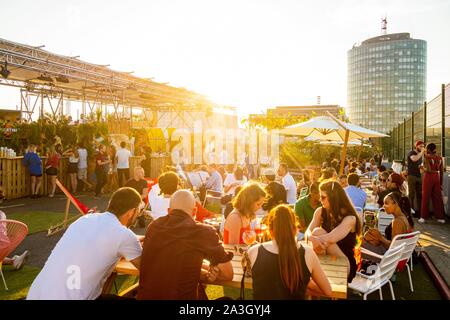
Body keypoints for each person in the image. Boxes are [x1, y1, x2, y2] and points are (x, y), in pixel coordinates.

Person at [27, 188, 144, 300]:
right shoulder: (124, 235)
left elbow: (97, 241)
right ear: (131, 212)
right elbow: (147, 268)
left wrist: (133, 241)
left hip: (36, 294)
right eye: (138, 212)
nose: (138, 216)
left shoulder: (85, 220)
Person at [137, 189, 233, 300]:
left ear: (169, 211)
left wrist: (203, 272)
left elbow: (172, 262)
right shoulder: (203, 232)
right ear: (194, 212)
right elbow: (228, 274)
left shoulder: (153, 227)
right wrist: (212, 272)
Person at [248, 205, 332, 299]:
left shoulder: (253, 251)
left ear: (270, 230)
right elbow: (328, 291)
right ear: (295, 229)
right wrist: (304, 283)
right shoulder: (307, 253)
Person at [305, 180, 362, 282]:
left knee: (319, 232)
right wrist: (311, 238)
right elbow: (307, 231)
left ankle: (317, 280)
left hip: (345, 263)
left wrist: (314, 238)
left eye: (323, 197)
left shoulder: (350, 218)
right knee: (318, 234)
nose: (320, 200)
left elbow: (331, 238)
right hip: (326, 257)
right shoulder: (320, 211)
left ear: (333, 197)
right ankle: (319, 283)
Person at [419, 143, 446, 224]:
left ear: (428, 149)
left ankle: (423, 217)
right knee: (437, 197)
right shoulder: (439, 158)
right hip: (437, 177)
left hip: (428, 177)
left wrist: (422, 168)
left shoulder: (427, 157)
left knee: (425, 197)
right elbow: (441, 171)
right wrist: (440, 183)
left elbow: (428, 169)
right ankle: (440, 217)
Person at [407, 140, 425, 218]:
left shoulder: (420, 155)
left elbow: (419, 165)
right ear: (416, 146)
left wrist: (422, 168)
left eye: (423, 146)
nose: (422, 148)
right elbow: (414, 159)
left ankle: (419, 212)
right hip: (411, 176)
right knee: (411, 195)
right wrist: (421, 152)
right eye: (420, 146)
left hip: (418, 176)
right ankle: (411, 212)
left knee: (419, 195)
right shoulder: (411, 153)